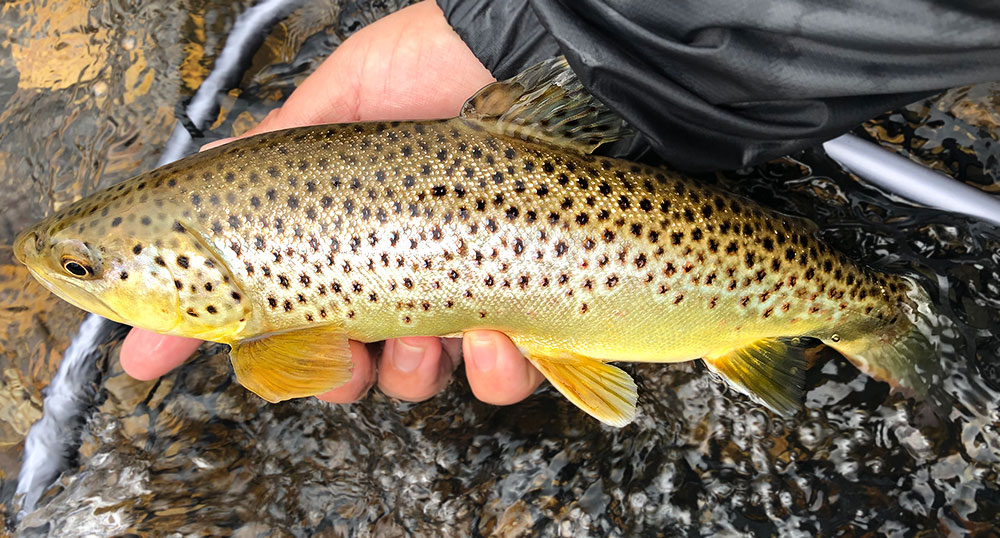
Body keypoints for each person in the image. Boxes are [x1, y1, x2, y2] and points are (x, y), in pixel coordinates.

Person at [121, 0, 1000, 406]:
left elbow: (293, 368)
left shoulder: (256, 332)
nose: (78, 279)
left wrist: (577, 31)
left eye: (90, 270)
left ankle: (880, 324)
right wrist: (573, 30)